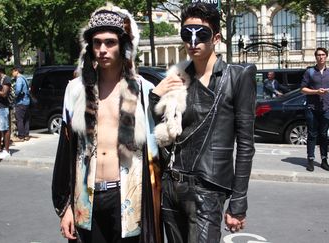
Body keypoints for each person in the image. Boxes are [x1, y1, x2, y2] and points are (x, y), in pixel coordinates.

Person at [51, 3, 162, 243]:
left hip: (127, 199)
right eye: (97, 42)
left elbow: (155, 157)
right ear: (89, 47)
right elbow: (66, 153)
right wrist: (65, 206)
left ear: (123, 45)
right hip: (86, 199)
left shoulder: (143, 91)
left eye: (110, 42)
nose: (102, 49)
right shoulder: (75, 91)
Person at [150, 3, 256, 242]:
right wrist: (155, 98)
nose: (193, 41)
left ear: (216, 37)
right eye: (187, 34)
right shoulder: (178, 78)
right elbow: (162, 130)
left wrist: (238, 202)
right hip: (172, 186)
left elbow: (246, 145)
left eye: (202, 34)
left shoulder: (237, 77)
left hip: (208, 189)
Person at [300, 47, 329, 172]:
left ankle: (324, 160)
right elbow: (302, 89)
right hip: (312, 108)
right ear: (316, 57)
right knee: (312, 135)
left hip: (326, 108)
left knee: (324, 135)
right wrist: (316, 92)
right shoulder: (310, 72)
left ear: (326, 56)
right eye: (318, 55)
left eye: (323, 55)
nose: (321, 57)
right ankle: (311, 160)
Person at [11, 65, 30, 142]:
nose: (12, 73)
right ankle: (26, 135)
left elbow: (18, 90)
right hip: (26, 101)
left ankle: (21, 136)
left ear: (16, 71)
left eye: (13, 71)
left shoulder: (19, 79)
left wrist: (14, 96)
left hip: (21, 102)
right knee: (26, 119)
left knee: (20, 119)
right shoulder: (24, 78)